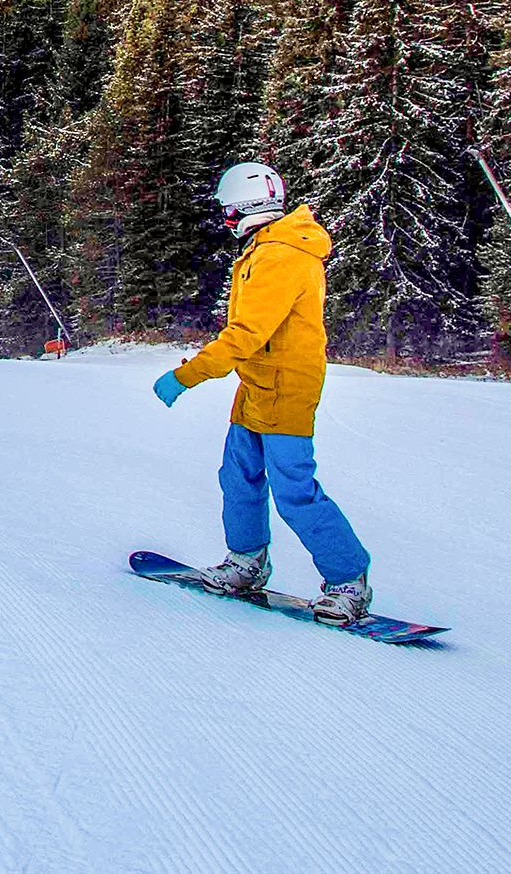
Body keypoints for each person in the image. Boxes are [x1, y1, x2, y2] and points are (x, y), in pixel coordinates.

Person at [151, 160, 373, 626]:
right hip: (257, 386)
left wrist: (185, 376)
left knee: (295, 489)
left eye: (228, 212)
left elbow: (244, 335)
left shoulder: (280, 256)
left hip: (287, 388)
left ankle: (349, 581)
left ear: (245, 209)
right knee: (239, 476)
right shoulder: (265, 249)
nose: (226, 220)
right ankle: (247, 561)